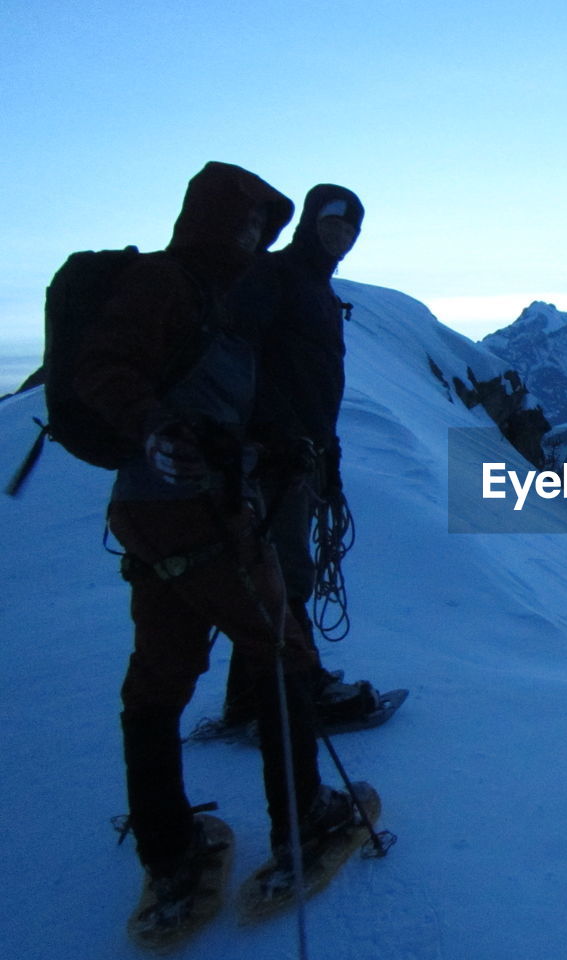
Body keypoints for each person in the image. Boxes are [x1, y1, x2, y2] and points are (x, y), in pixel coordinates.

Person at [74, 162, 359, 913]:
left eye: (258, 225)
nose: (250, 236)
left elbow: (219, 398)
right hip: (201, 514)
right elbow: (107, 369)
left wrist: (266, 446)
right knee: (284, 648)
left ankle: (170, 853)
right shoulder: (172, 285)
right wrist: (159, 430)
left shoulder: (218, 296)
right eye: (243, 222)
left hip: (152, 514)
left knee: (157, 681)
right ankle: (306, 823)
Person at [219, 183, 378, 731]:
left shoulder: (316, 290)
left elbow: (312, 382)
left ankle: (248, 695)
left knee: (273, 571)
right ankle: (299, 687)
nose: (343, 234)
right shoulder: (275, 276)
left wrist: (326, 457)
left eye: (353, 227)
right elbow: (240, 354)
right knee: (285, 573)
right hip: (271, 455)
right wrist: (276, 434)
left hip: (301, 453)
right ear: (311, 219)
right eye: (334, 221)